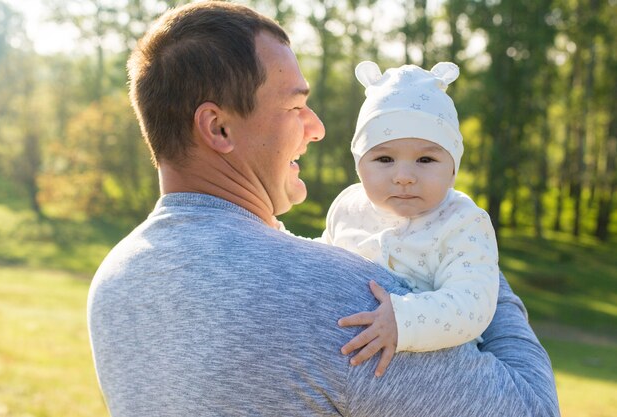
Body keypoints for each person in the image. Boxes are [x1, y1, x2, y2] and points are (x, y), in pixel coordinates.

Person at [87, 2, 560, 416]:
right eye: (296, 107)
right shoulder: (350, 302)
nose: (317, 128)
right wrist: (460, 235)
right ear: (219, 128)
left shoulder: (115, 281)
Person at [317, 61, 500, 376]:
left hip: (442, 380)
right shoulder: (349, 206)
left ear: (453, 167)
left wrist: (404, 319)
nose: (404, 176)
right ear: (359, 165)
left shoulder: (462, 221)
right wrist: (278, 239)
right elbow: (321, 260)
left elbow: (473, 302)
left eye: (426, 159)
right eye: (384, 158)